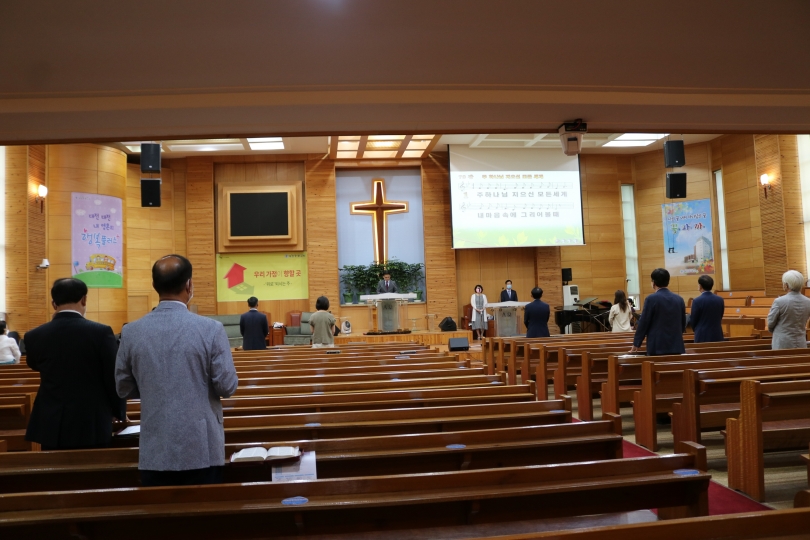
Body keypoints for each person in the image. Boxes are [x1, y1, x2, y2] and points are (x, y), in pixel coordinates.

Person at [116, 255, 238, 487]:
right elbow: (226, 386)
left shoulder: (131, 332)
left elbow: (123, 387)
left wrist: (154, 386)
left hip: (155, 445)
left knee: (159, 509)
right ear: (189, 285)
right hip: (202, 445)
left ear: (154, 285)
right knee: (204, 507)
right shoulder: (211, 329)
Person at [24, 278, 125, 450]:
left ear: (53, 303)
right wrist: (118, 411)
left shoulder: (34, 336)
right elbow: (112, 375)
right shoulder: (101, 332)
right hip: (92, 420)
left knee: (54, 466)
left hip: (52, 421)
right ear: (84, 299)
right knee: (94, 466)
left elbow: (34, 364)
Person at [630, 268, 686, 355]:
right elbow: (683, 323)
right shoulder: (679, 299)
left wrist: (637, 342)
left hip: (657, 346)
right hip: (676, 345)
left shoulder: (651, 299)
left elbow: (644, 322)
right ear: (668, 281)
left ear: (653, 282)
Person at [767, 269, 810, 349]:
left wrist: (778, 332)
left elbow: (770, 323)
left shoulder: (779, 301)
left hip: (782, 344)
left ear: (786, 285)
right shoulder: (808, 302)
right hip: (801, 343)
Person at [689, 275, 725, 343]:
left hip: (702, 336)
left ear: (700, 286)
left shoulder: (697, 301)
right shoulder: (720, 300)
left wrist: (697, 330)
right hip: (717, 334)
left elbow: (693, 320)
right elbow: (720, 315)